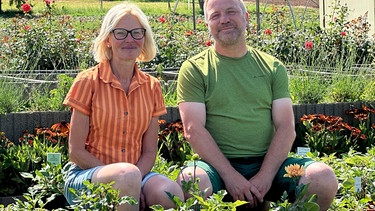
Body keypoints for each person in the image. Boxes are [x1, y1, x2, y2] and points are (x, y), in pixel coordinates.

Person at [176, 0, 338, 210]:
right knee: (191, 180)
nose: (224, 20)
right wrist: (231, 176)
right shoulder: (194, 69)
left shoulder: (272, 67)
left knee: (322, 178)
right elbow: (193, 130)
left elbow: (286, 127)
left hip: (272, 165)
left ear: (246, 18)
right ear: (207, 23)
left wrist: (265, 176)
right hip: (215, 169)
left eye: (231, 12)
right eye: (215, 15)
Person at [62, 3, 184, 211]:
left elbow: (149, 153)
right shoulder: (87, 82)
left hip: (137, 173)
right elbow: (76, 152)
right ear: (108, 39)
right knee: (126, 175)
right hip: (86, 174)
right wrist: (126, 181)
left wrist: (135, 180)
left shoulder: (152, 87)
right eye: (120, 33)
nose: (130, 39)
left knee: (170, 194)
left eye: (137, 32)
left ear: (144, 38)